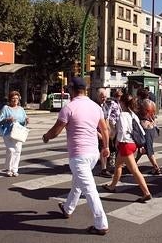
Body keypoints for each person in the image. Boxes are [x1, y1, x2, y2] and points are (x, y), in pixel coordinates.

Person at [42, 77, 110, 236]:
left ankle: (101, 224)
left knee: (90, 189)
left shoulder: (69, 108)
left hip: (78, 155)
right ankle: (67, 208)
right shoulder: (95, 107)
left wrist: (46, 136)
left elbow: (56, 131)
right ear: (85, 90)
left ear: (72, 90)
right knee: (78, 183)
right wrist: (106, 147)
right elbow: (105, 129)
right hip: (93, 154)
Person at [102, 92, 152, 203]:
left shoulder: (123, 115)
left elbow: (122, 131)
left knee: (134, 170)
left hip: (125, 144)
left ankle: (146, 192)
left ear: (122, 103)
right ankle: (112, 186)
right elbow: (140, 130)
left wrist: (117, 142)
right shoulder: (133, 114)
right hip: (132, 144)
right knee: (118, 165)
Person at [0, 91, 29, 177]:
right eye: (13, 98)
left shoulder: (21, 109)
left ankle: (15, 169)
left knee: (18, 151)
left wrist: (26, 121)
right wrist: (7, 119)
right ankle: (8, 169)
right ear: (10, 99)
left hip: (18, 132)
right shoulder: (5, 108)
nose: (15, 100)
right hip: (8, 132)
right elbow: (0, 120)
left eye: (17, 98)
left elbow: (23, 121)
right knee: (11, 150)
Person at [136, 88, 162, 175]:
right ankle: (133, 163)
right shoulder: (152, 104)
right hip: (151, 126)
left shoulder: (141, 104)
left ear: (140, 95)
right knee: (143, 146)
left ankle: (156, 167)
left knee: (148, 148)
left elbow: (137, 115)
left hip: (144, 126)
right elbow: (154, 116)